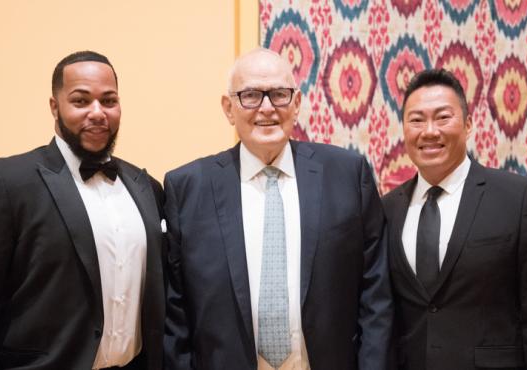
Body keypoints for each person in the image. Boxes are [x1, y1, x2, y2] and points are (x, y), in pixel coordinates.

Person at [162, 48, 393, 370]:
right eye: (250, 96)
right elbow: (176, 312)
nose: (267, 108)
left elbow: (376, 293)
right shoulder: (188, 188)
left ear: (296, 104)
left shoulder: (347, 174)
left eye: (279, 94)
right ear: (228, 108)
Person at [0, 51, 165, 370]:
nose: (97, 112)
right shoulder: (6, 184)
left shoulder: (147, 188)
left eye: (109, 100)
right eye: (81, 101)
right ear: (55, 106)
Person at [382, 69, 527, 370]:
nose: (429, 131)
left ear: (468, 125)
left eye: (443, 117)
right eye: (416, 120)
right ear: (403, 129)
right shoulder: (387, 210)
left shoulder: (518, 199)